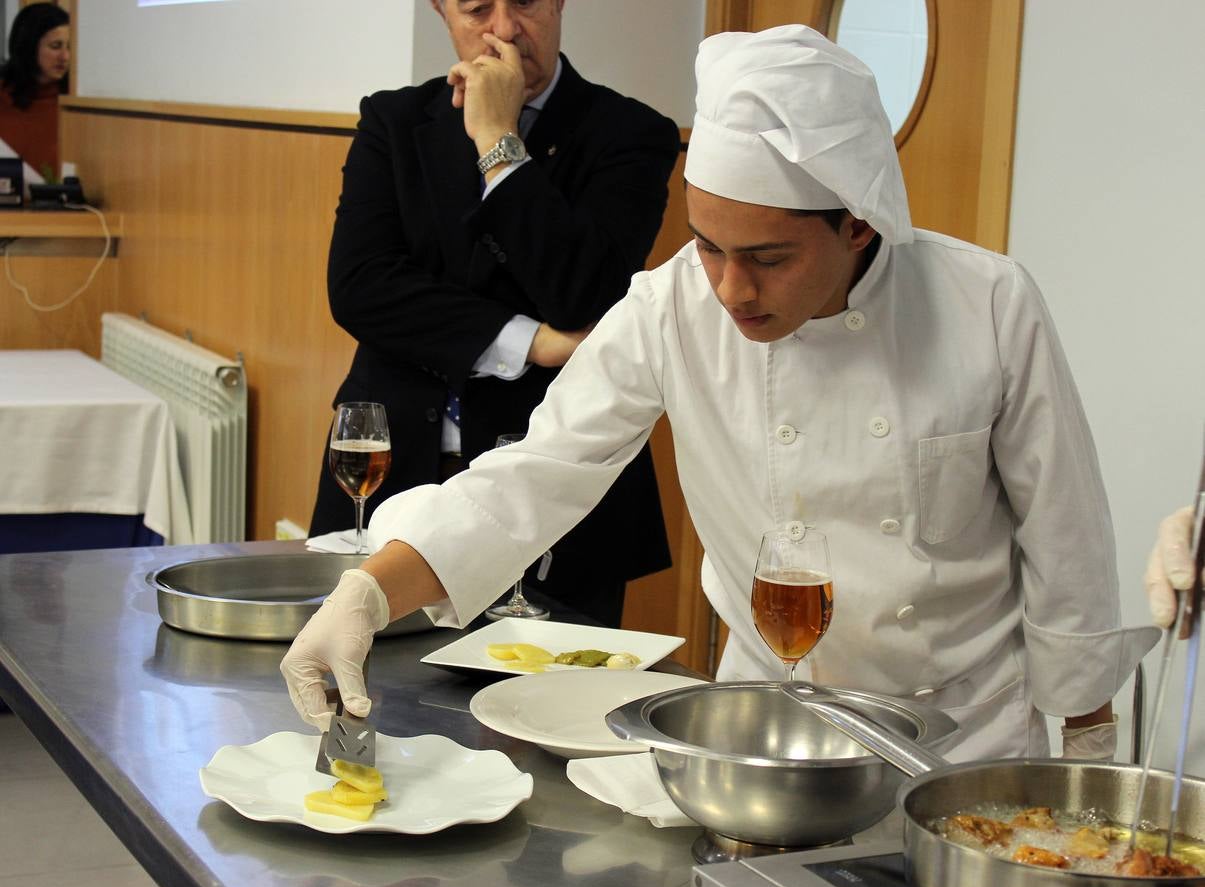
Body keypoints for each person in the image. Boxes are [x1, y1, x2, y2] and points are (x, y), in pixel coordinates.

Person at [284, 25, 1162, 762]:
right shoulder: (671, 304)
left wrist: (1084, 733)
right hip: (760, 725)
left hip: (959, 735)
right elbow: (538, 474)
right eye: (708, 245)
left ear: (856, 224)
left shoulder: (987, 303)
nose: (731, 290)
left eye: (768, 258)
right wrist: (367, 593)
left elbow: (1064, 529)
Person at [307, 0, 676, 627]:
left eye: (527, 3)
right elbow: (362, 286)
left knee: (542, 710)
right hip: (388, 466)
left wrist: (498, 144)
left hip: (556, 496)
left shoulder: (631, 132)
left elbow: (584, 294)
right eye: (478, 8)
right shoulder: (394, 120)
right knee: (368, 691)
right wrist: (529, 341)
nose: (504, 29)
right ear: (441, 12)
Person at [0, 2, 69, 180]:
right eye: (55, 46)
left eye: (69, 47)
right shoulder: (3, 97)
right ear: (29, 46)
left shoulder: (74, 104)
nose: (65, 57)